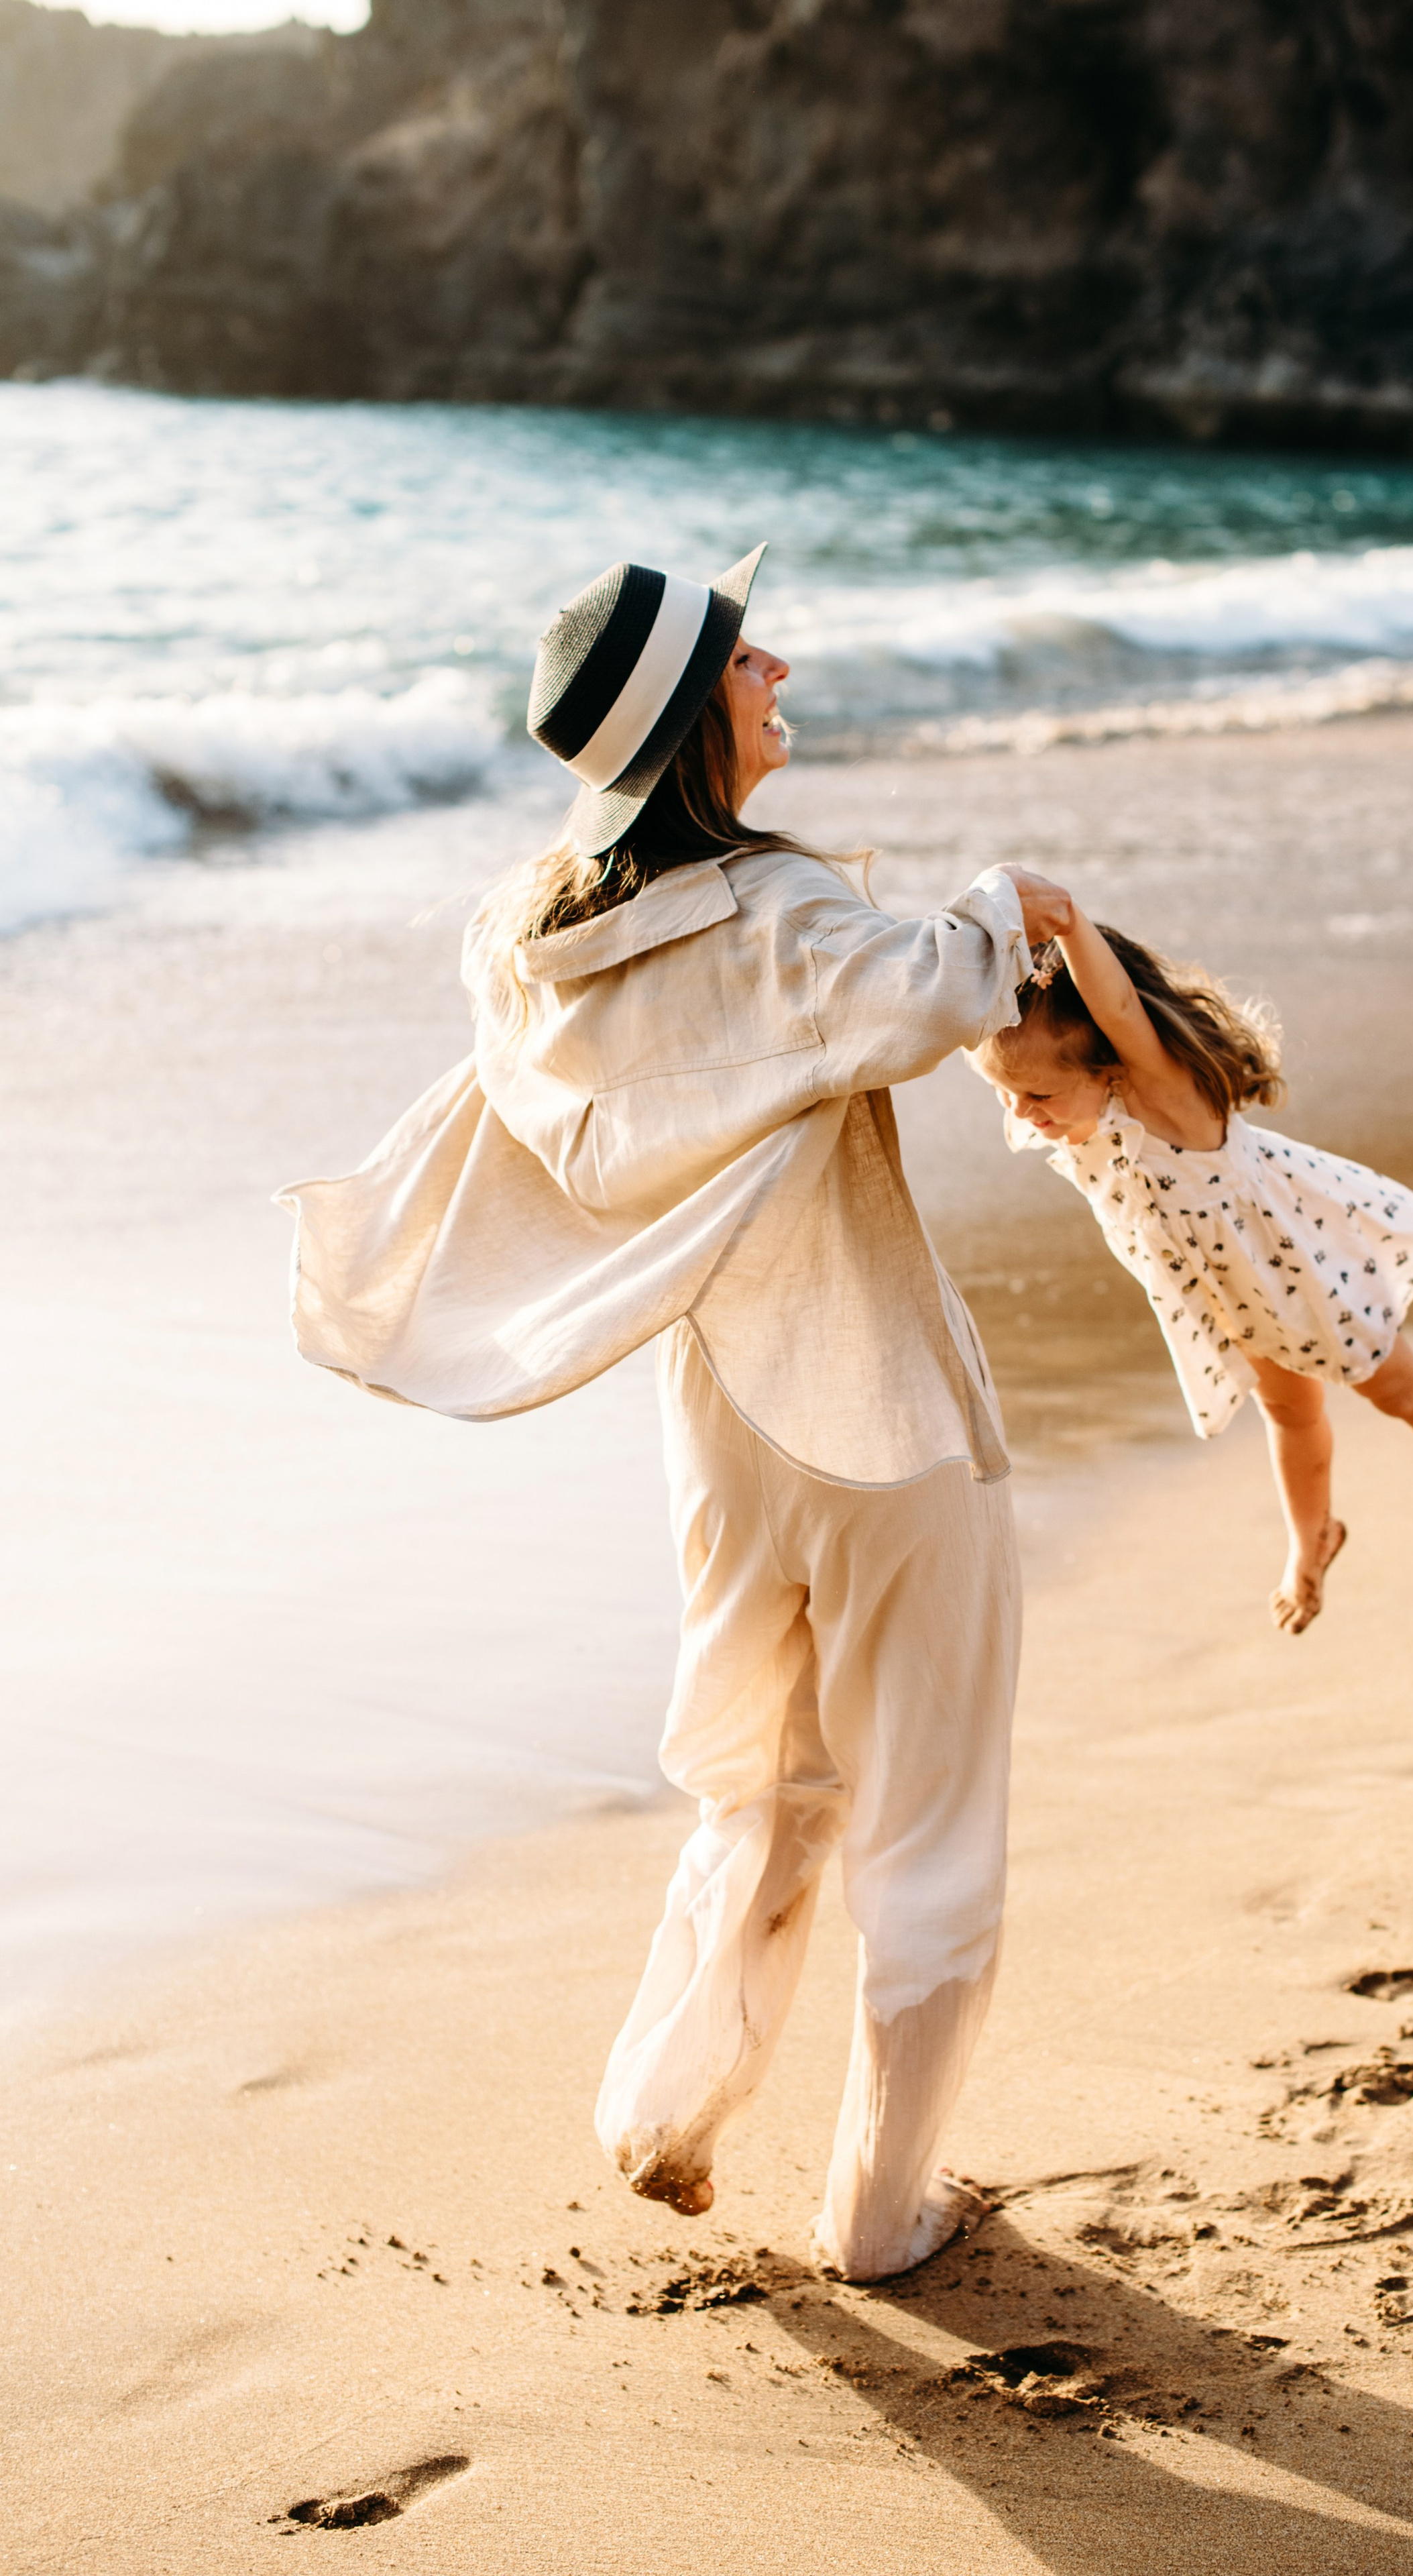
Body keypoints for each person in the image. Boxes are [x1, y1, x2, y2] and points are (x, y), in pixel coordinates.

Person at [278, 543, 1070, 2279]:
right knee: (930, 1820)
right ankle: (881, 2214)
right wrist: (1011, 887)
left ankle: (664, 2109)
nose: (774, 664)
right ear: (695, 719)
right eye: (743, 656)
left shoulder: (527, 939)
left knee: (761, 1787)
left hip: (717, 1422)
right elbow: (948, 986)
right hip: (880, 1422)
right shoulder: (779, 919)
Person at [972, 892, 1413, 1633]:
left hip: (1298, 1263)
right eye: (1005, 1094)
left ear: (1114, 1068)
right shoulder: (1071, 1107)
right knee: (1288, 1412)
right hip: (1229, 1290)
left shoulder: (1164, 1097)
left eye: (1036, 1094)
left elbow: (1116, 1007)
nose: (1022, 1114)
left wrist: (1066, 921)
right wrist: (986, 919)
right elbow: (967, 1027)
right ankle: (1311, 1542)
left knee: (1400, 1389)